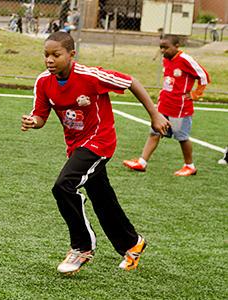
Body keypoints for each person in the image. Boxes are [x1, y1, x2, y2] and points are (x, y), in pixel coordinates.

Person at [21, 32, 170, 275]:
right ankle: (132, 243)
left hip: (100, 142)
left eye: (56, 55)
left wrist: (154, 114)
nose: (49, 60)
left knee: (63, 186)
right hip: (76, 147)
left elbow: (130, 82)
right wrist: (32, 121)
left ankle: (82, 246)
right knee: (102, 199)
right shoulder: (43, 82)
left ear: (71, 55)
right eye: (46, 55)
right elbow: (40, 115)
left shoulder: (91, 76)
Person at [123, 35, 210, 176]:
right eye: (161, 47)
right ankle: (142, 162)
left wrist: (195, 94)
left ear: (177, 46)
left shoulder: (186, 60)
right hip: (164, 105)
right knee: (154, 132)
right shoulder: (166, 59)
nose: (163, 50)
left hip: (180, 108)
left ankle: (190, 166)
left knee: (182, 137)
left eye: (166, 47)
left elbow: (204, 76)